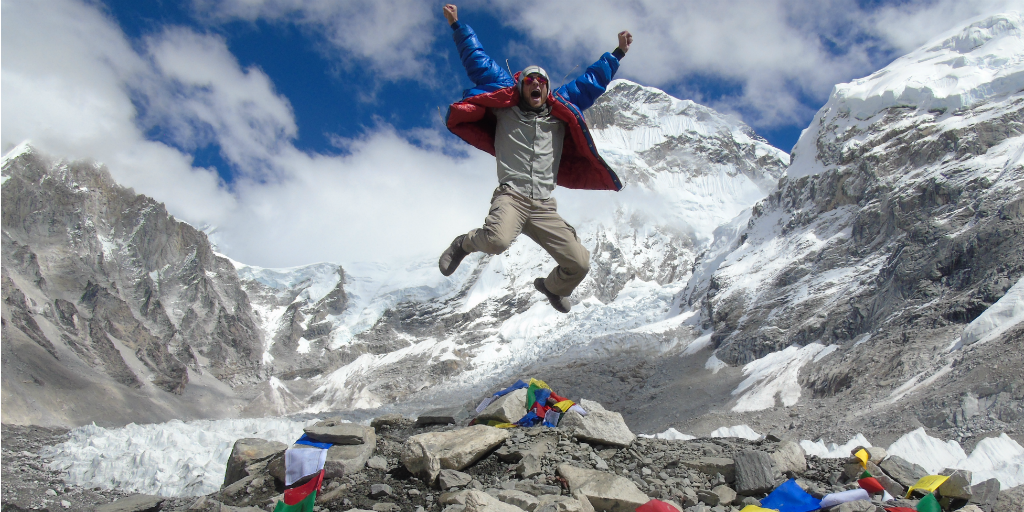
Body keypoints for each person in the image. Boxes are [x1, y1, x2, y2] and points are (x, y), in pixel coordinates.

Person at [438, 3, 631, 313]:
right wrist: (458, 26)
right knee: (497, 242)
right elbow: (478, 61)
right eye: (529, 81)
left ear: (548, 88)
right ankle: (463, 243)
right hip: (512, 196)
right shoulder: (506, 104)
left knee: (579, 263)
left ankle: (552, 287)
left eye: (541, 81)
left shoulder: (560, 110)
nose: (536, 84)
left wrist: (617, 53)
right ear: (520, 86)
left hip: (542, 204)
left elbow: (591, 82)